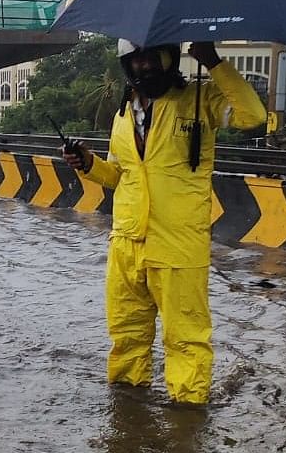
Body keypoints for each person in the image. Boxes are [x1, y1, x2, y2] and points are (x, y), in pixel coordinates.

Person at [62, 40, 265, 405]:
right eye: (136, 60)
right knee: (126, 337)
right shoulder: (123, 114)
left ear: (170, 57)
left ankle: (187, 424)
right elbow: (119, 175)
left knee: (186, 340)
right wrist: (89, 164)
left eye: (151, 57)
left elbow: (253, 116)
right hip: (126, 244)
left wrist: (215, 62)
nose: (144, 66)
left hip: (177, 246)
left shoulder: (201, 100)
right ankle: (127, 415)